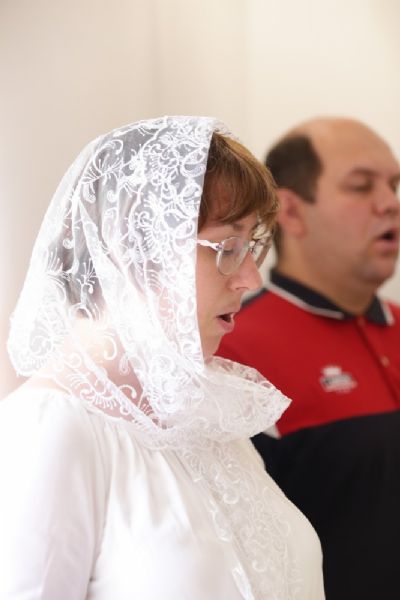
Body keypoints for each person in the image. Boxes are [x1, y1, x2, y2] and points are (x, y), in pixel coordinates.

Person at [0, 116, 325, 599]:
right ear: (132, 248)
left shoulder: (208, 420)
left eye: (251, 246)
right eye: (229, 247)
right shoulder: (52, 429)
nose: (251, 278)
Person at [218, 116, 400, 600]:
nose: (390, 203)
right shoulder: (233, 351)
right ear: (292, 212)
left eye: (394, 185)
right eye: (361, 186)